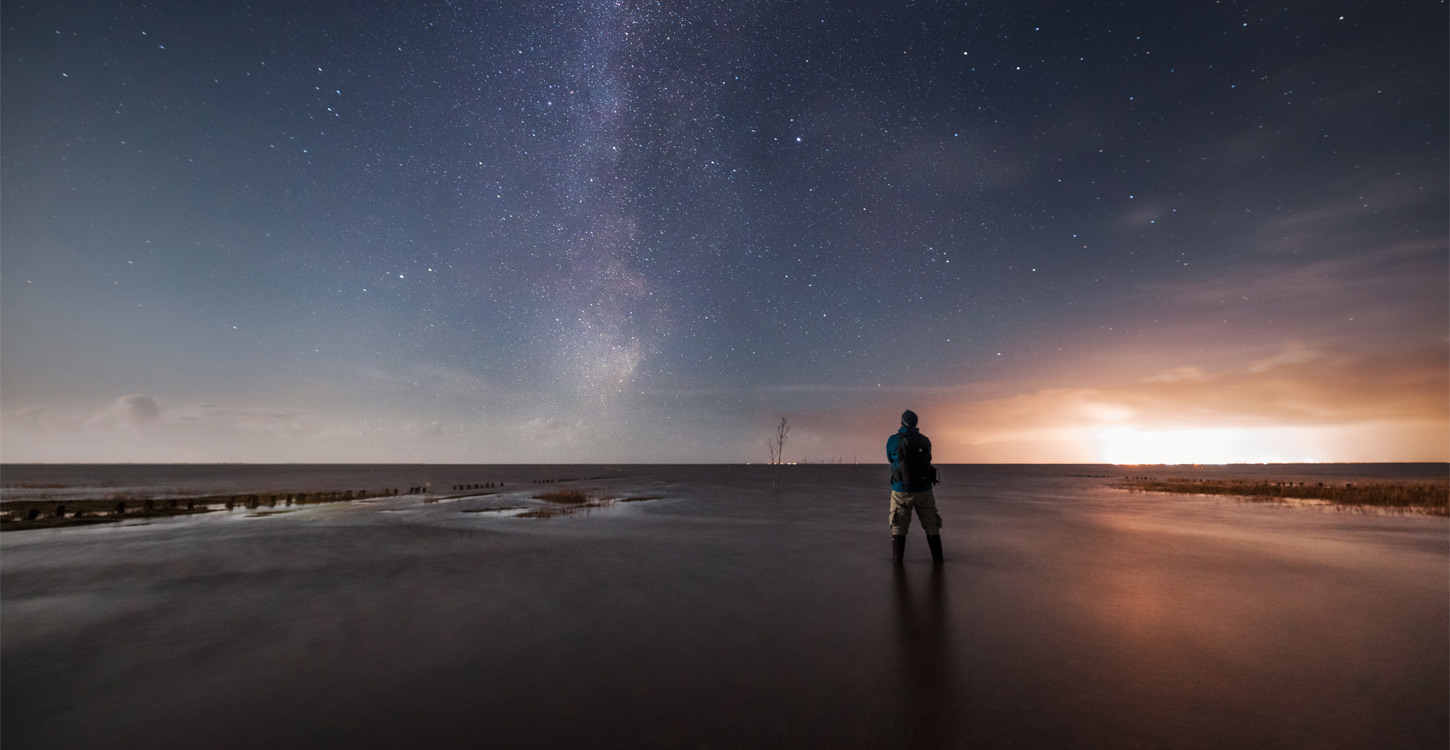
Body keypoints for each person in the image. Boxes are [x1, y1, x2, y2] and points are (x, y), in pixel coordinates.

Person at [887, 409, 943, 563]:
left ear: (901, 423)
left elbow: (891, 459)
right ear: (916, 423)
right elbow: (928, 459)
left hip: (901, 490)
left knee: (898, 526)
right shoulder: (925, 440)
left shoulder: (893, 440)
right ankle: (938, 561)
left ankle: (898, 564)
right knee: (932, 526)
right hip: (924, 490)